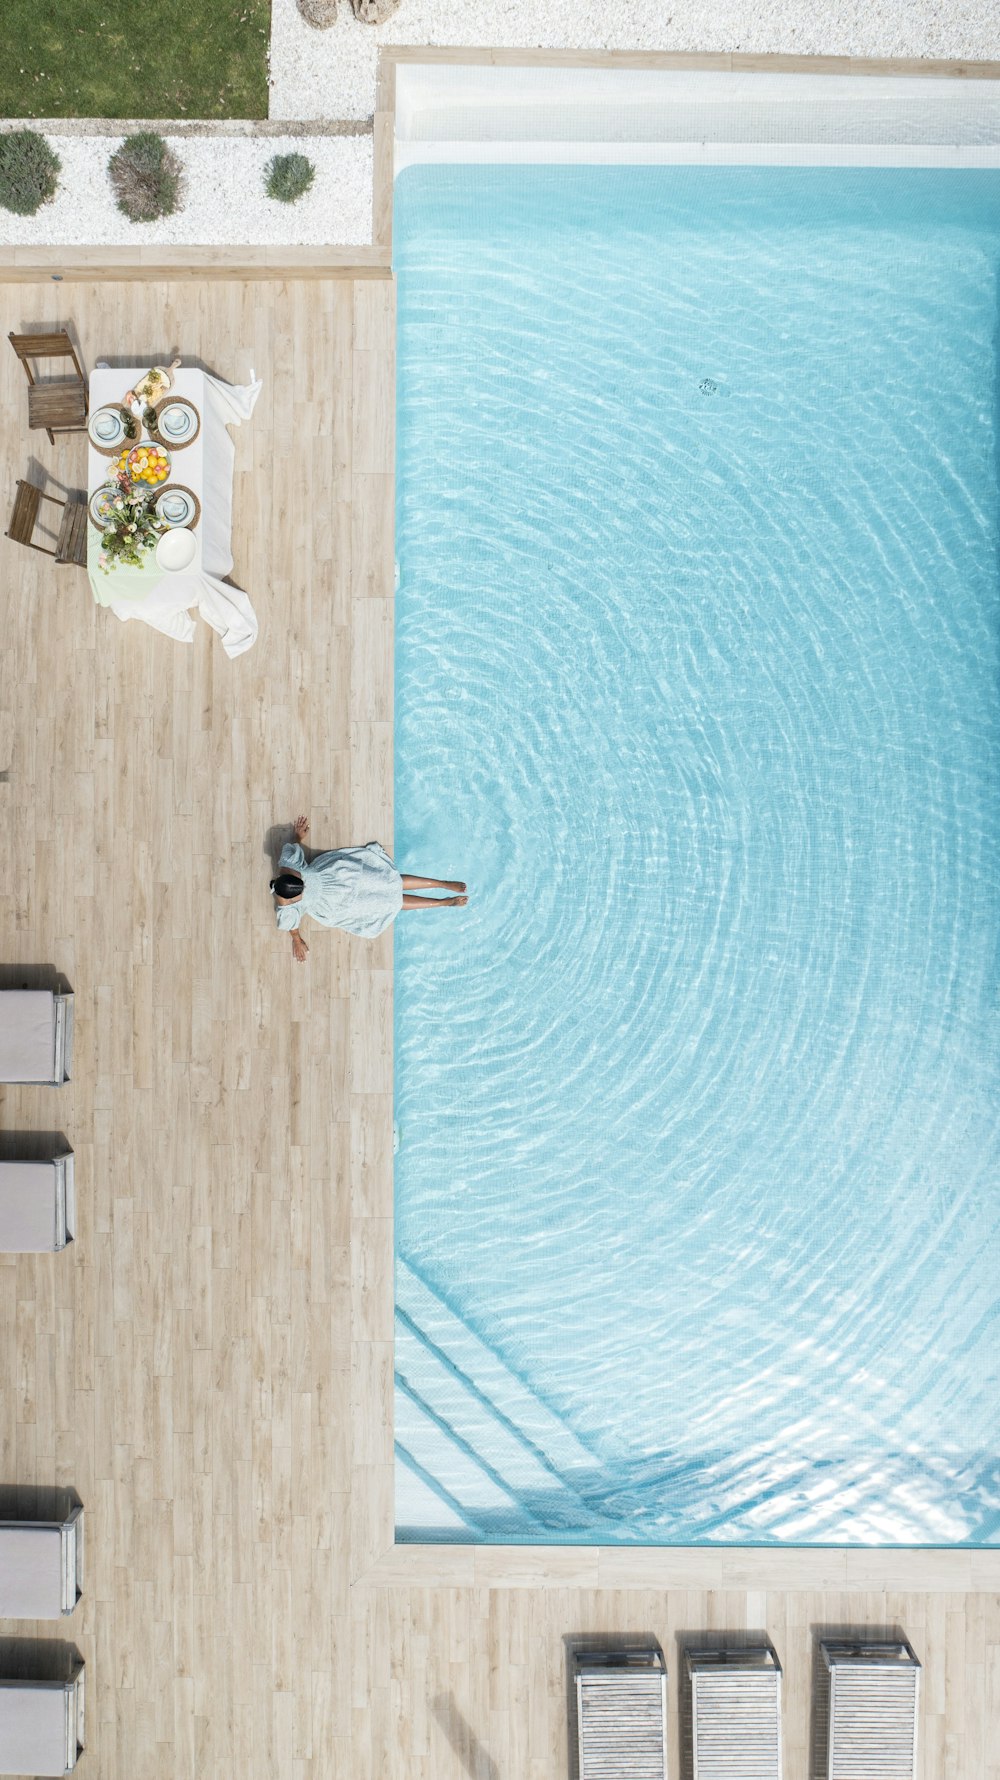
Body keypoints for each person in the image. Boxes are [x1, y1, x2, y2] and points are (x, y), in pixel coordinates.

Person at [271, 817, 467, 962]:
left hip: (337, 884)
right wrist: (297, 941)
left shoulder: (287, 874)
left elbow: (292, 923)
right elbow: (291, 924)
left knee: (390, 884)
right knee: (391, 897)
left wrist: (298, 836)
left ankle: (441, 884)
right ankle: (443, 901)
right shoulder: (286, 886)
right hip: (338, 893)